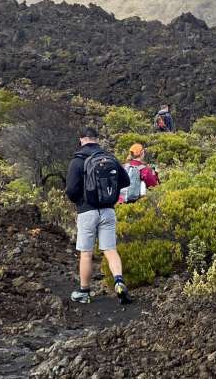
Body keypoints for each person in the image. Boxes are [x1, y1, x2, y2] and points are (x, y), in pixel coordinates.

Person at [65, 126, 132, 305]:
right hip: (108, 210)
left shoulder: (77, 161)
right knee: (110, 249)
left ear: (81, 139)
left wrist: (79, 201)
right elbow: (125, 181)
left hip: (87, 211)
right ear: (96, 138)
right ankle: (119, 281)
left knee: (86, 253)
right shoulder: (109, 157)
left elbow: (71, 190)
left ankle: (84, 292)